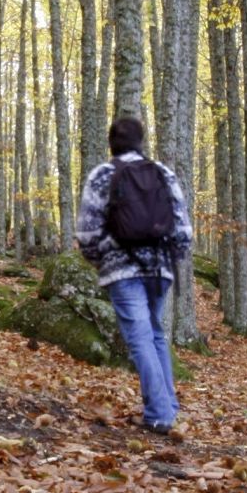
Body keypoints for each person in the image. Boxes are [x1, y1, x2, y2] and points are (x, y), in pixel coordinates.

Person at [76, 114, 192, 435]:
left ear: (111, 143)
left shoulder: (103, 175)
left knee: (141, 338)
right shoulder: (163, 173)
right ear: (141, 142)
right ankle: (167, 406)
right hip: (160, 269)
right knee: (154, 334)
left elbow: (87, 231)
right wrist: (170, 259)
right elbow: (183, 229)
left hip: (122, 269)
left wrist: (101, 260)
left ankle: (159, 414)